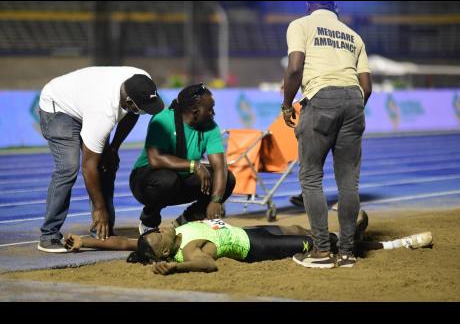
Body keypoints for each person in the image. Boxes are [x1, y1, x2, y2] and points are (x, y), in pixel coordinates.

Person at [281, 1, 373, 268]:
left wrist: (287, 105)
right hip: (354, 99)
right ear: (335, 6)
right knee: (348, 183)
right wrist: (349, 110)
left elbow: (295, 68)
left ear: (309, 4)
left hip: (320, 96)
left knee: (311, 177)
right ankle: (346, 253)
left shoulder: (301, 25)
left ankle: (321, 251)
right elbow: (366, 87)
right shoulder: (354, 36)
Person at [37, 66, 164, 253]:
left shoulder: (141, 80)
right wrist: (99, 208)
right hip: (58, 107)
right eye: (142, 108)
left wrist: (114, 148)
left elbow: (131, 116)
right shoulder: (102, 113)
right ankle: (49, 235)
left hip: (83, 100)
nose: (146, 111)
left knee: (107, 165)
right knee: (69, 168)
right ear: (129, 101)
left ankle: (102, 232)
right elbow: (89, 167)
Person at [63, 210, 433, 273]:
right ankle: (372, 243)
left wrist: (84, 241)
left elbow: (125, 244)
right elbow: (208, 263)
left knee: (298, 228)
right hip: (256, 250)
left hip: (249, 233)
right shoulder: (188, 248)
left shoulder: (166, 236)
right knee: (315, 245)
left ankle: (346, 235)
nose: (159, 228)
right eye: (158, 235)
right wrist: (176, 266)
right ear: (163, 250)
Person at [129, 83, 236, 234]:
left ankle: (186, 221)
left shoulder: (211, 127)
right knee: (167, 180)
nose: (213, 113)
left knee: (228, 179)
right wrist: (195, 165)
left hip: (181, 180)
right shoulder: (162, 120)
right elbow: (155, 159)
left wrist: (216, 200)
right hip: (147, 181)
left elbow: (220, 167)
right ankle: (149, 221)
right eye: (210, 109)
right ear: (195, 111)